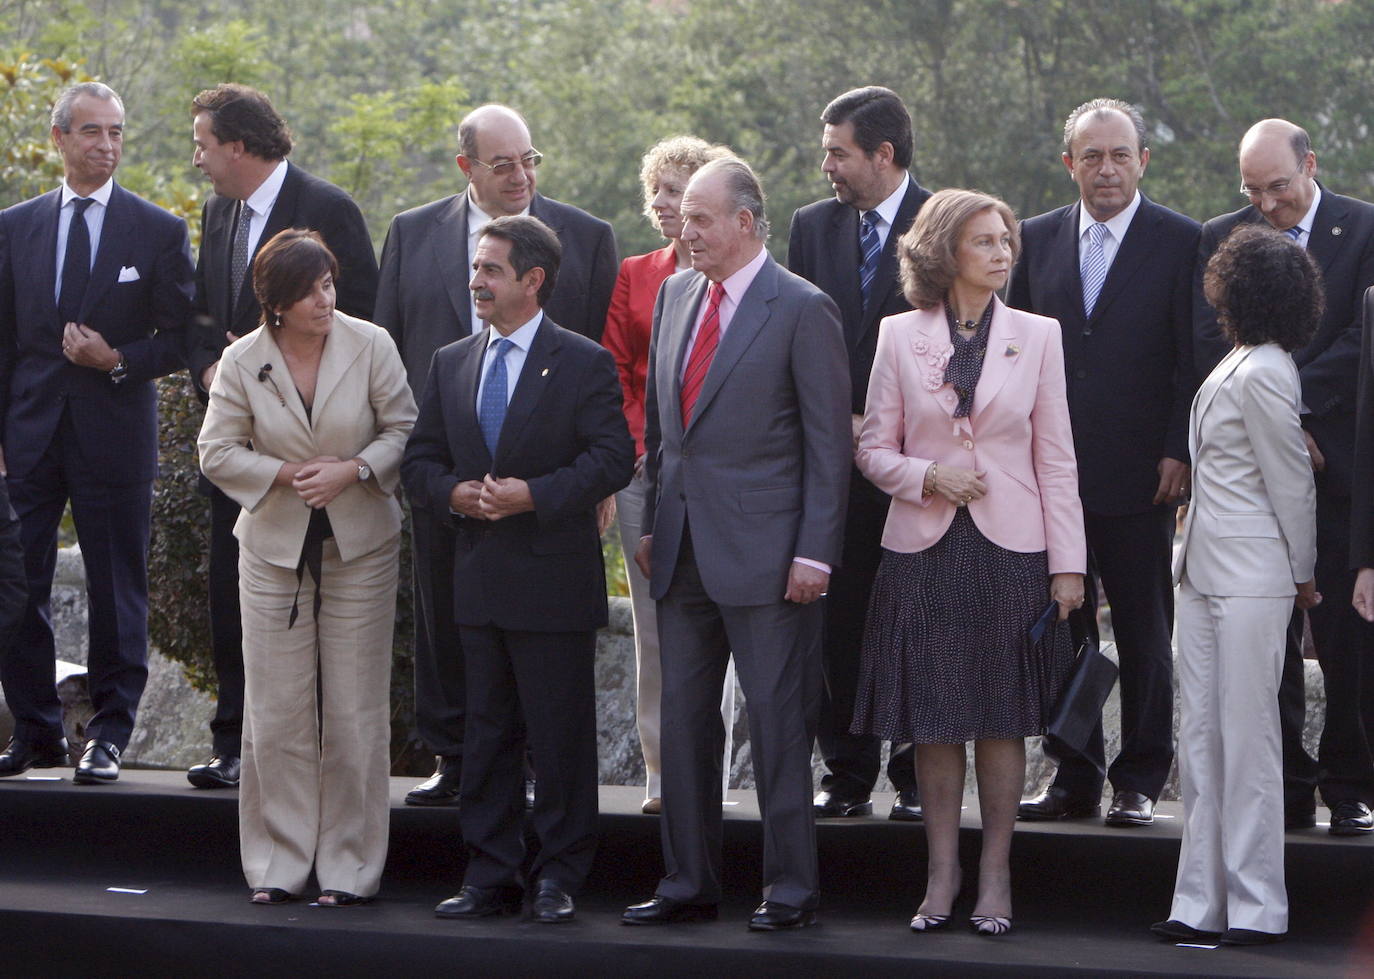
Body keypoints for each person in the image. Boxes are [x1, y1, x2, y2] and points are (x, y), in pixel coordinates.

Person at [621, 157, 851, 932]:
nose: (685, 231)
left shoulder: (802, 308)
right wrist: (652, 524)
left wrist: (816, 552)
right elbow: (661, 433)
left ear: (746, 223)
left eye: (700, 218)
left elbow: (827, 446)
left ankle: (790, 887)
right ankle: (688, 879)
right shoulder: (675, 294)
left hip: (772, 560)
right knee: (685, 724)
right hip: (681, 551)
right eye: (684, 217)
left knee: (779, 726)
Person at [855, 189, 1085, 936]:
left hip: (1013, 549)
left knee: (1000, 721)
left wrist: (1069, 565)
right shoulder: (897, 334)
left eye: (1005, 240)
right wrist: (928, 476)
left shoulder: (1039, 334)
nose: (1001, 252)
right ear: (946, 251)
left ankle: (995, 871)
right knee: (934, 719)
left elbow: (1056, 458)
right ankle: (941, 872)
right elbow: (870, 448)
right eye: (984, 241)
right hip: (923, 548)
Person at [375, 104, 618, 806]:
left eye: (530, 160)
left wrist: (588, 482)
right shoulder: (412, 232)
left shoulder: (587, 237)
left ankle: (541, 770)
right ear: (467, 168)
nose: (521, 175)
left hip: (547, 486)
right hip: (443, 473)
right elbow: (389, 348)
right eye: (503, 164)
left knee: (542, 641)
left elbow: (600, 364)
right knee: (444, 617)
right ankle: (453, 755)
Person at [402, 215, 632, 923]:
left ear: (532, 281)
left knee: (559, 740)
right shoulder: (451, 361)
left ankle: (559, 875)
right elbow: (418, 460)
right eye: (476, 267)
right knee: (486, 735)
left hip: (553, 582)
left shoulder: (584, 361)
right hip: (476, 583)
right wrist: (455, 493)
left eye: (491, 270)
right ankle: (490, 874)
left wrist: (536, 495)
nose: (476, 280)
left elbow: (612, 458)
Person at [198, 229, 415, 907]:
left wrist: (354, 468)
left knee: (355, 709)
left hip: (364, 545)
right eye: (311, 290)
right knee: (278, 710)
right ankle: (278, 862)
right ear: (278, 303)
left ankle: (350, 866)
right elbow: (216, 451)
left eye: (328, 284)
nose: (327, 298)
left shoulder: (371, 342)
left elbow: (404, 428)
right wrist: (289, 475)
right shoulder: (241, 359)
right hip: (270, 550)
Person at [1009, 98, 1199, 829]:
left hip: (1142, 473)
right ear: (1070, 164)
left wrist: (1179, 447)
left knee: (1147, 629)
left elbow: (1191, 354)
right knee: (1064, 624)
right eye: (1092, 156)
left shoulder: (1183, 240)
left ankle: (1142, 775)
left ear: (1143, 160)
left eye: (1120, 154)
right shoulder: (1034, 239)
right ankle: (1075, 773)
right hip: (1051, 476)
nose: (1107, 168)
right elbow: (1016, 355)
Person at [184, 82, 379, 791]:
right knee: (232, 598)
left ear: (238, 145)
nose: (197, 158)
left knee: (327, 618)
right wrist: (211, 363)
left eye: (203, 144)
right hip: (240, 455)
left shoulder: (327, 210)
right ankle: (235, 741)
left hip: (320, 458)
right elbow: (203, 314)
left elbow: (362, 317)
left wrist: (286, 353)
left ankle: (320, 758)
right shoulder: (216, 214)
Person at [0, 82, 194, 783]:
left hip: (114, 435)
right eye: (91, 132)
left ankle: (109, 732)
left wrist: (117, 359)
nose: (106, 145)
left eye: (116, 132)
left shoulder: (158, 230)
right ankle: (36, 727)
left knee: (117, 589)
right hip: (27, 434)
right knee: (16, 578)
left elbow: (185, 338)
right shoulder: (14, 226)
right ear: (59, 138)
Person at [1196, 119, 1374, 836]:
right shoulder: (1224, 236)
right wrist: (1269, 413)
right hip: (1253, 479)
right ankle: (1289, 784)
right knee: (1266, 640)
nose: (1268, 205)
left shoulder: (1363, 228)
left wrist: (1293, 402)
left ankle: (1351, 782)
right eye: (1253, 190)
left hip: (1338, 458)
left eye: (1280, 187)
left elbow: (1366, 340)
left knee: (1343, 638)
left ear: (1311, 166)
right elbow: (1214, 333)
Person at [1154, 225, 1321, 947]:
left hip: (1255, 578)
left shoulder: (1268, 369)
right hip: (1203, 573)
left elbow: (1293, 487)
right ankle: (1199, 901)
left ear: (1240, 288)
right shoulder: (1244, 360)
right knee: (1200, 740)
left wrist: (1305, 577)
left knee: (1247, 741)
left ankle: (1255, 906)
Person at [788, 85, 932, 822]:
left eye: (838, 153)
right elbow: (794, 338)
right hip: (832, 468)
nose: (827, 167)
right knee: (836, 623)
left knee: (913, 620)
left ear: (883, 154)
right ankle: (844, 772)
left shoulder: (946, 221)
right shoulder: (810, 228)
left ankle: (914, 774)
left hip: (916, 471)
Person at [602, 135, 737, 815]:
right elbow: (617, 370)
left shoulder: (745, 277)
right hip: (644, 474)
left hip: (725, 476)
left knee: (728, 618)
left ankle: (712, 770)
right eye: (655, 188)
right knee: (654, 625)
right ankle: (662, 770)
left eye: (677, 189)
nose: (663, 203)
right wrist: (636, 450)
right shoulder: (635, 273)